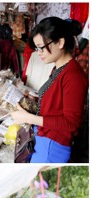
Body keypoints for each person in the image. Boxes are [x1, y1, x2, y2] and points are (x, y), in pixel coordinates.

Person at [11, 17, 87, 163]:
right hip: (44, 138)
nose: (39, 52)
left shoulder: (73, 76)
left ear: (61, 42)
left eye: (41, 47)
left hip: (53, 147)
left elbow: (71, 124)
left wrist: (29, 118)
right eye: (36, 48)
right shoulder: (59, 68)